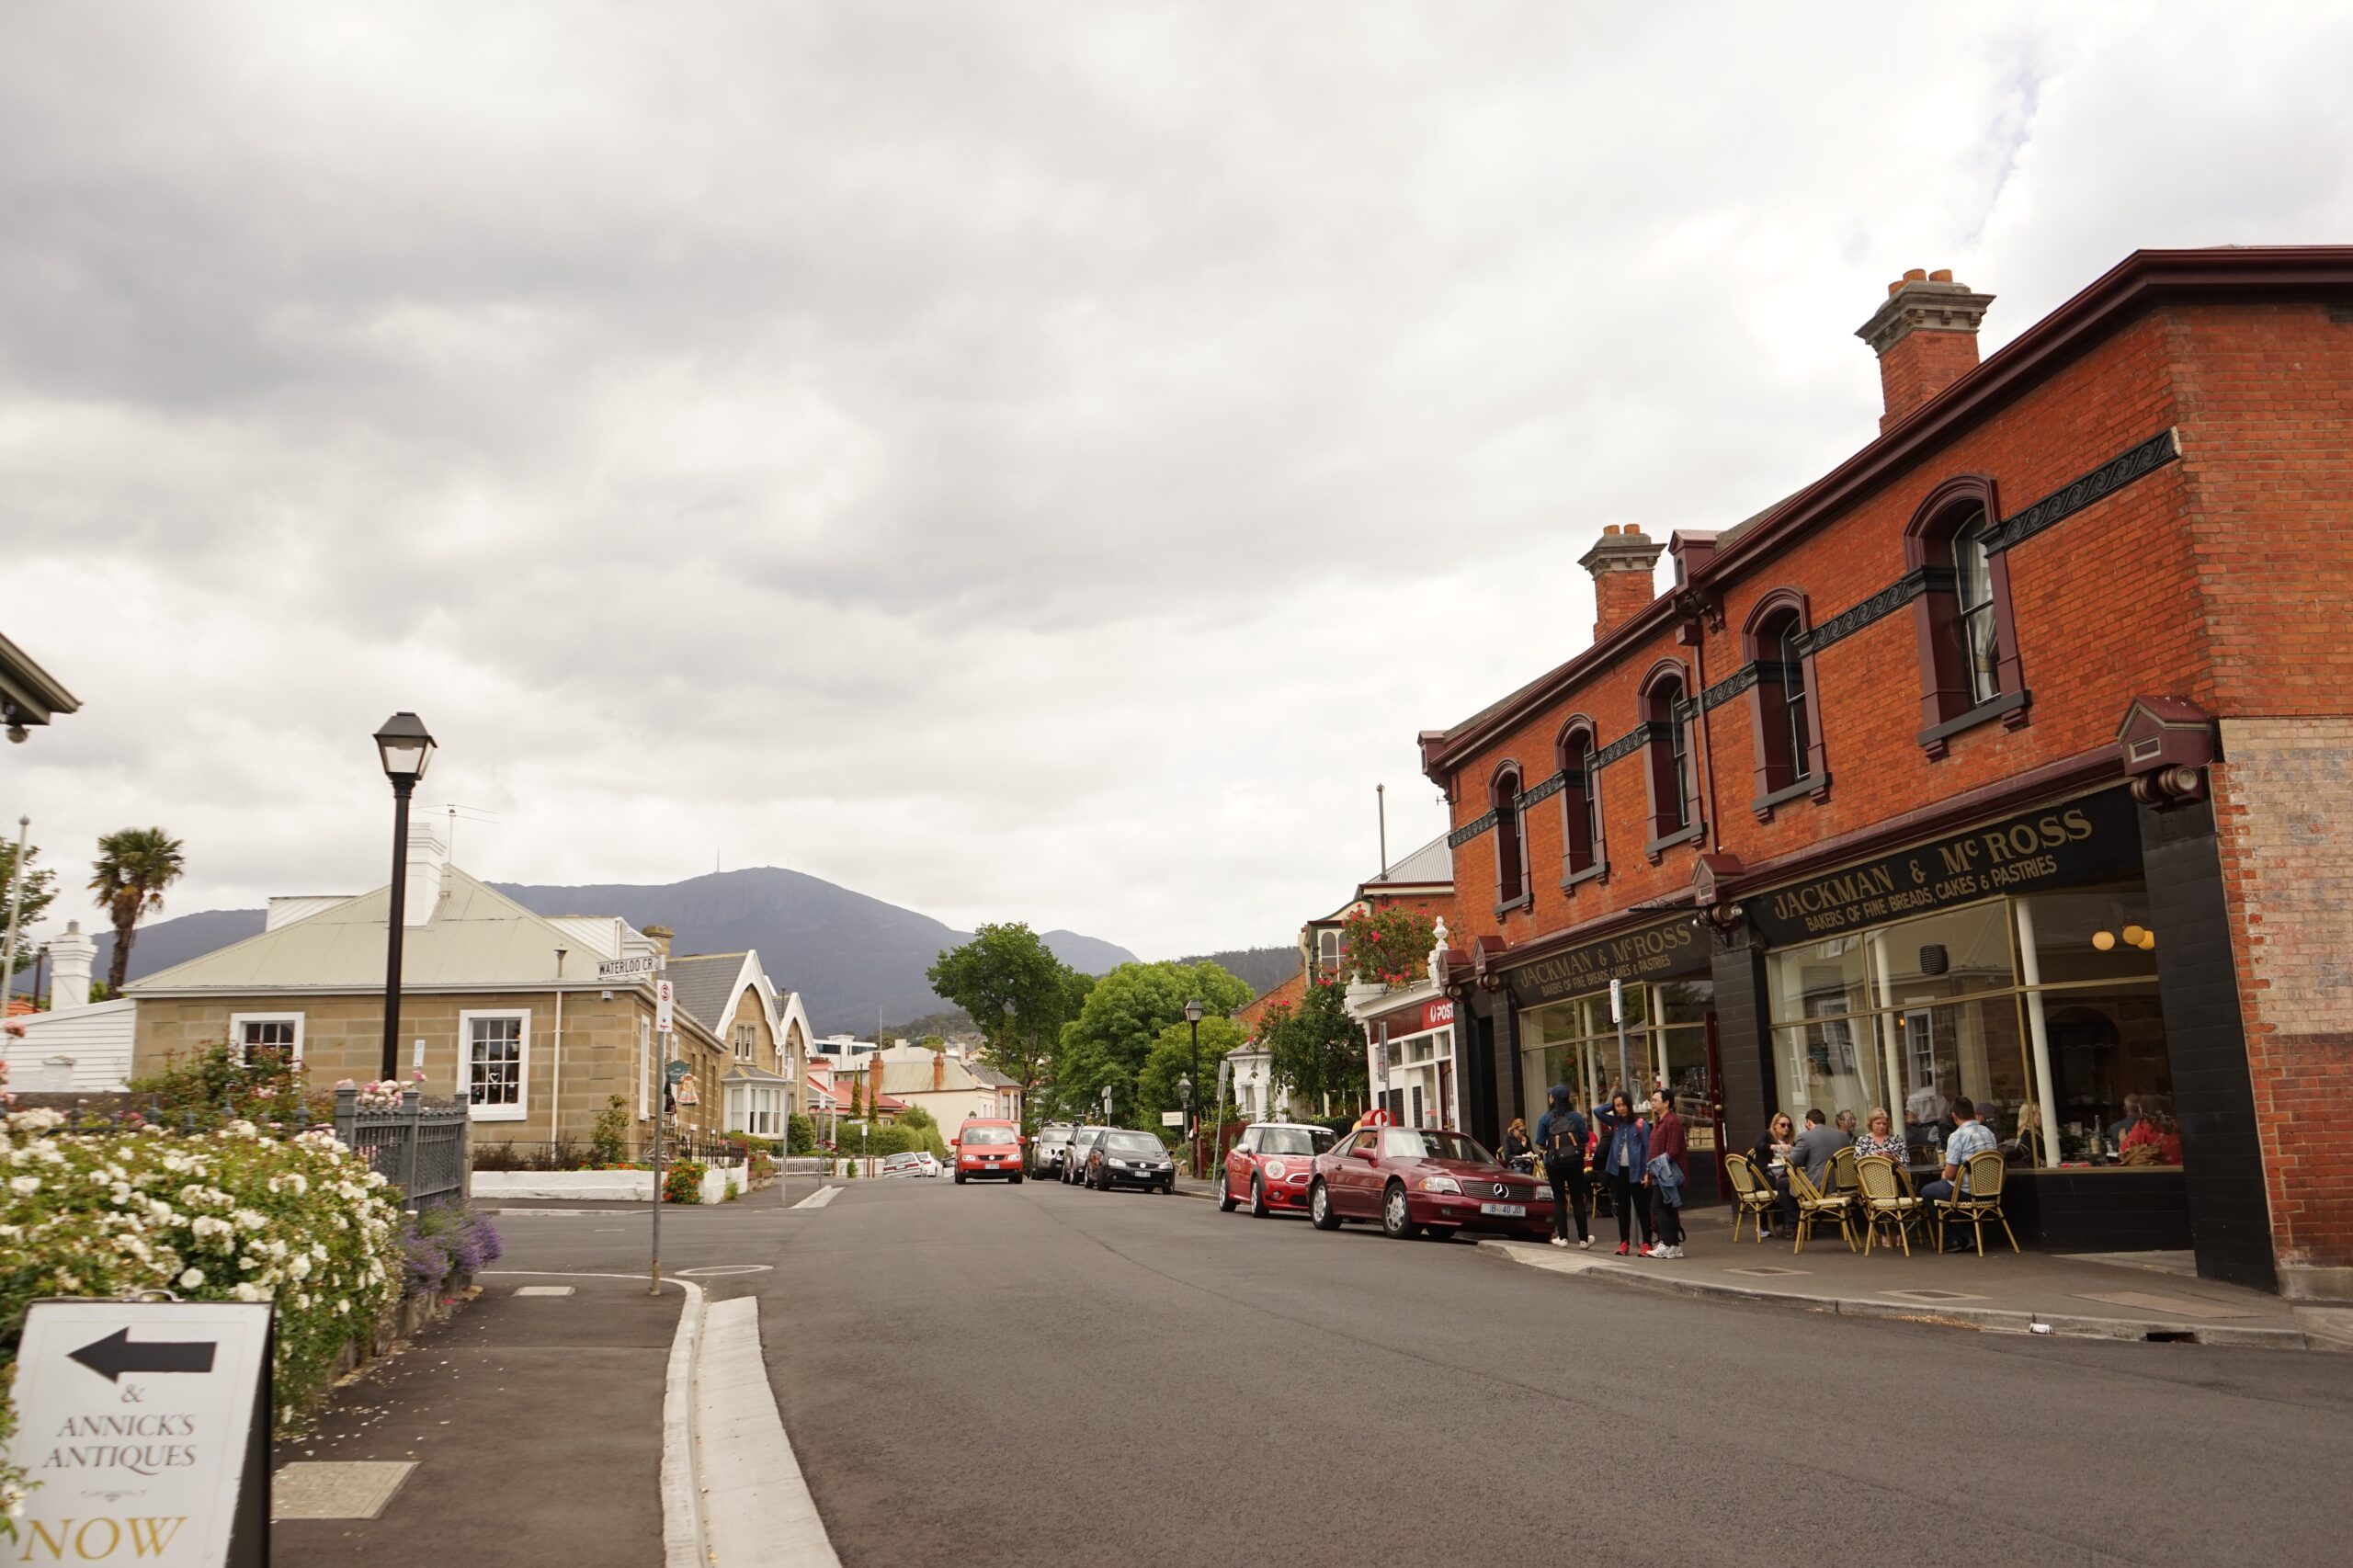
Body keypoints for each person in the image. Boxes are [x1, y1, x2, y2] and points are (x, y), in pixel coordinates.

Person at [1918, 1096, 1998, 1251]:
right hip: (1991, 1190)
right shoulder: (1988, 1132)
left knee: (1929, 1192)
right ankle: (1968, 1237)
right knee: (1950, 1191)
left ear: (1954, 1116)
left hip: (1967, 1192)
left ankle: (1950, 1240)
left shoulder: (1957, 1136)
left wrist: (1944, 1174)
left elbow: (1950, 1174)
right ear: (1973, 1113)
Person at [1595, 1091, 1652, 1256]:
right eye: (1617, 1106)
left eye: (1623, 1105)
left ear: (1629, 1104)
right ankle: (1624, 1243)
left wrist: (1647, 1172)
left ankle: (1647, 1243)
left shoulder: (1641, 1124)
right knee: (1623, 1208)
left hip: (1637, 1172)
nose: (1621, 1109)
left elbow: (1648, 1149)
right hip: (1618, 1171)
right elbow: (1597, 1112)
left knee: (1642, 1208)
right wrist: (1611, 1106)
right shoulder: (1615, 1122)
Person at [1535, 1085, 1592, 1249]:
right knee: (1578, 1200)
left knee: (1559, 1200)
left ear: (1553, 1099)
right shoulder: (1576, 1117)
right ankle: (1584, 1239)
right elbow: (1585, 1138)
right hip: (1575, 1162)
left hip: (1554, 1164)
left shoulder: (1545, 1119)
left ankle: (1563, 1237)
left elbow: (1540, 1142)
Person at [1643, 1088, 1688, 1258]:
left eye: (1656, 1100)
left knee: (1658, 1206)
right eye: (1652, 1100)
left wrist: (1656, 1166)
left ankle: (1667, 1243)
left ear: (1666, 1102)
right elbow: (1653, 1149)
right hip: (1658, 1172)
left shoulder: (1672, 1122)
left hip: (1667, 1174)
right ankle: (1674, 1246)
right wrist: (1649, 1171)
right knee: (1667, 1208)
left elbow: (1672, 1151)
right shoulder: (1659, 1122)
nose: (1653, 1103)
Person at [1781, 1108, 1845, 1228]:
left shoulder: (1805, 1137)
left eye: (1806, 1124)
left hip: (1820, 1186)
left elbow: (1793, 1161)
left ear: (1809, 1122)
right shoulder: (1842, 1136)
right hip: (1843, 1185)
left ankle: (1797, 1225)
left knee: (1782, 1184)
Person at [1749, 1111, 1796, 1239]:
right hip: (1764, 1173)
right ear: (1775, 1125)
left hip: (1784, 1173)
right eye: (1783, 1125)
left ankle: (1791, 1224)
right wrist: (1774, 1147)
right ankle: (1764, 1225)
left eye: (1789, 1125)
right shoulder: (1767, 1135)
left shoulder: (1790, 1141)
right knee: (1775, 1186)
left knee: (1791, 1185)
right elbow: (1758, 1146)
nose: (1786, 1128)